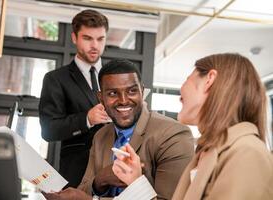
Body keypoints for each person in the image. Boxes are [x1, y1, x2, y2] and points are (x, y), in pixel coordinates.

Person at [112, 53, 273, 200]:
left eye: (188, 78)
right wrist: (135, 181)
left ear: (209, 80)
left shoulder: (247, 153)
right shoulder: (208, 152)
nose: (181, 92)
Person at [43, 59, 194, 200]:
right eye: (113, 93)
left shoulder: (173, 135)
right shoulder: (100, 136)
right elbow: (84, 189)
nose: (123, 100)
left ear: (142, 92)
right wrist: (100, 179)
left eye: (132, 91)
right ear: (101, 98)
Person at [39, 9, 110, 188]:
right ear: (74, 38)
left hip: (115, 170)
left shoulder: (116, 75)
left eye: (100, 39)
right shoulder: (55, 79)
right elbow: (48, 130)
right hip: (77, 173)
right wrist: (86, 119)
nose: (95, 45)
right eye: (87, 38)